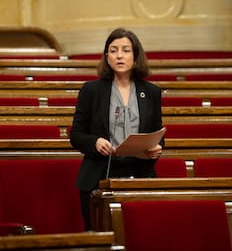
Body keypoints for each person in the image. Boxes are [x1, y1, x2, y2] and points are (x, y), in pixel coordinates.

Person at [70, 27, 164, 231]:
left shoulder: (152, 92)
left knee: (140, 235)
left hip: (140, 176)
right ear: (106, 57)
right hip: (99, 177)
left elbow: (157, 136)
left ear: (136, 55)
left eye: (125, 50)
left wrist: (156, 149)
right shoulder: (91, 90)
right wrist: (94, 142)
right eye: (113, 50)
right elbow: (76, 135)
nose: (119, 55)